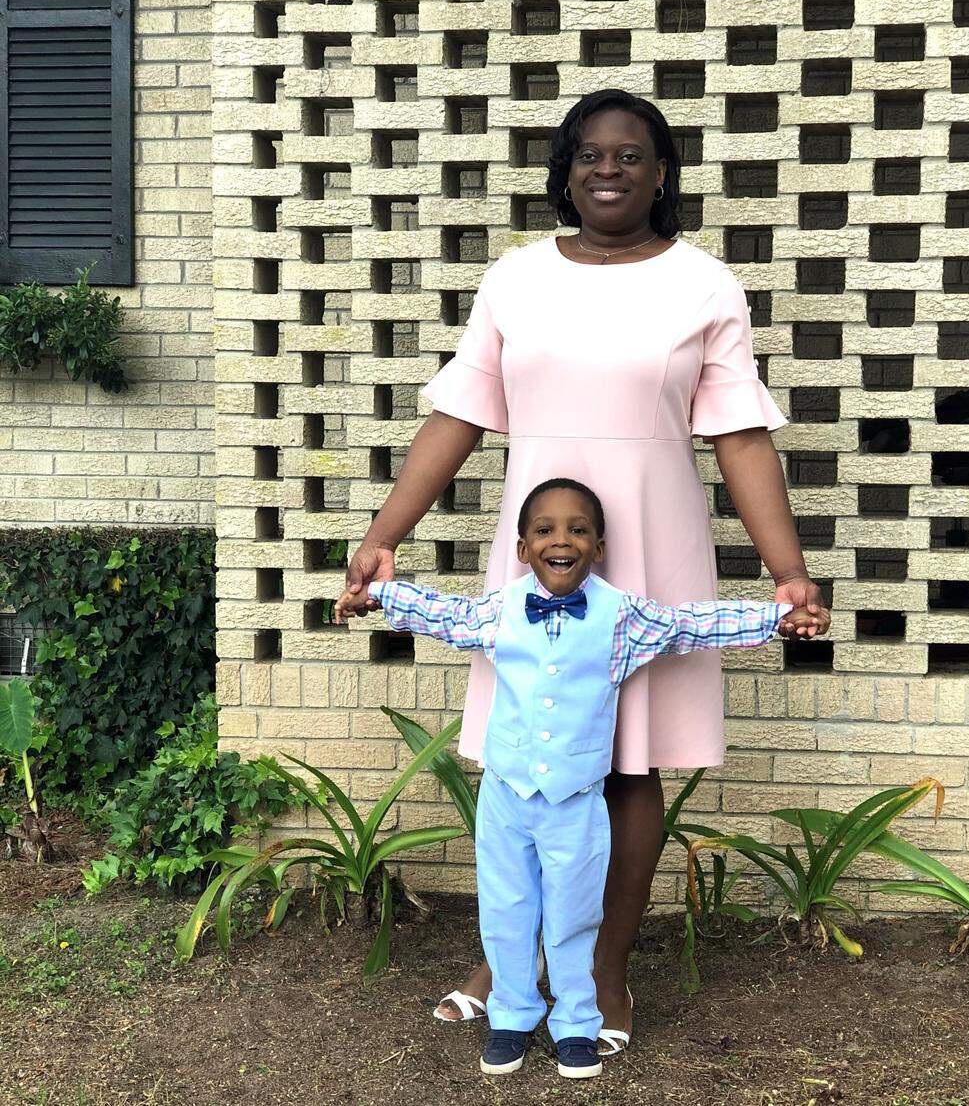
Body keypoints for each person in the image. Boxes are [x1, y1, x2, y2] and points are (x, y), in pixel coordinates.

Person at [334, 89, 828, 1053]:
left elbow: (739, 438)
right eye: (589, 155)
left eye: (630, 155)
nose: (609, 169)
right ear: (564, 173)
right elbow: (459, 416)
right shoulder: (516, 280)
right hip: (539, 546)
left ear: (661, 174)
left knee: (626, 764)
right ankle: (504, 966)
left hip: (650, 544)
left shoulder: (703, 285)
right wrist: (384, 531)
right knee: (524, 762)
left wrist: (789, 573)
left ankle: (601, 974)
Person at [337, 479, 828, 1079]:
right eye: (544, 530)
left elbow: (694, 624)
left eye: (577, 530)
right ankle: (512, 1015)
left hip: (576, 802)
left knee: (573, 915)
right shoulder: (500, 608)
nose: (560, 540)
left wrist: (779, 617)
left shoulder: (624, 618)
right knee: (506, 908)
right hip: (506, 796)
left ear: (598, 546)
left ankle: (576, 1022)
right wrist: (381, 596)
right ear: (522, 548)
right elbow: (447, 614)